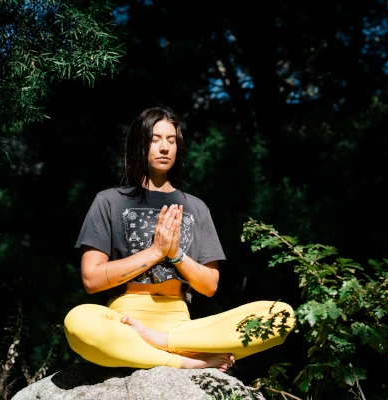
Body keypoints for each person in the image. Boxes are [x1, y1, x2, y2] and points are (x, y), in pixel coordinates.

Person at [63, 107, 295, 372]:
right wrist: (155, 251)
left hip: (182, 325)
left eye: (171, 140)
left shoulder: (196, 207)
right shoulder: (109, 201)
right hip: (124, 322)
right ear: (139, 144)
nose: (164, 148)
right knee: (78, 321)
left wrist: (175, 254)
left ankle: (162, 343)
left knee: (281, 316)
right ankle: (181, 361)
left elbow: (209, 285)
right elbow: (91, 280)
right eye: (155, 139)